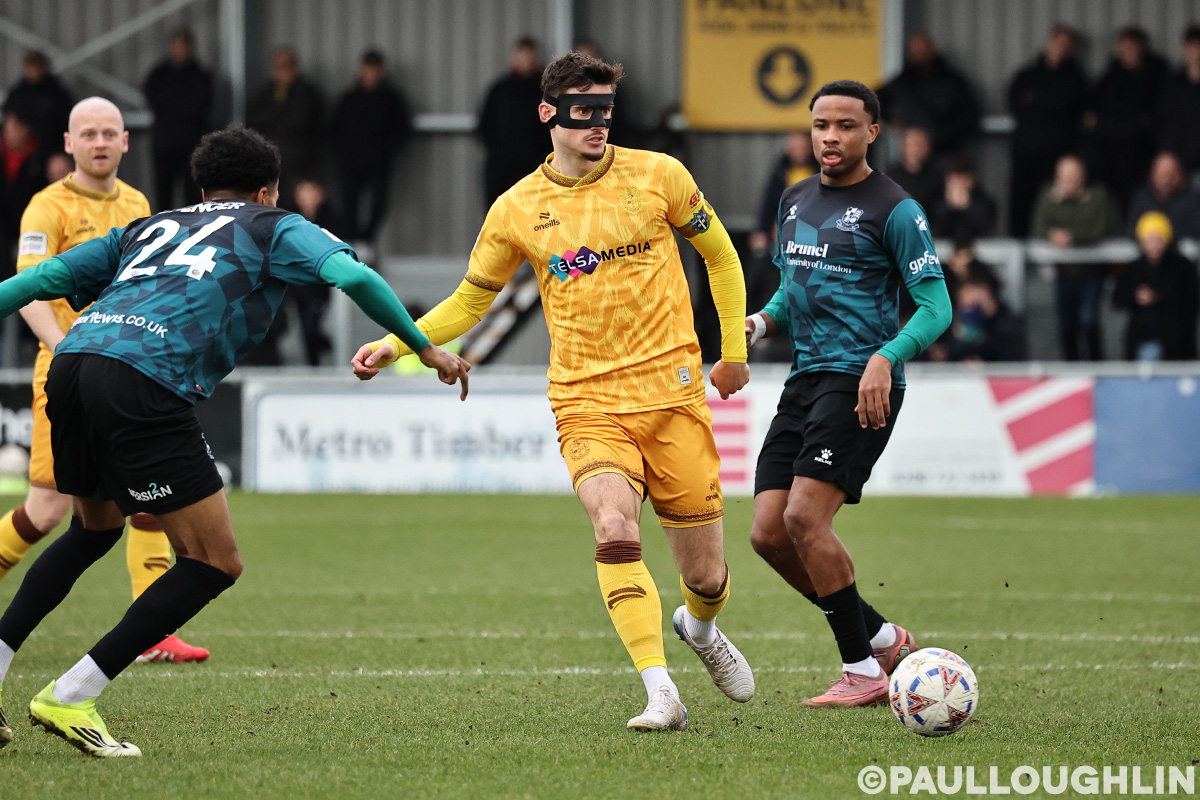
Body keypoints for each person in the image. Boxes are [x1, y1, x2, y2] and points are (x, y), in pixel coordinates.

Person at [0, 124, 469, 757]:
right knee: (213, 562)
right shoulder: (271, 225)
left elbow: (34, 282)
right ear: (269, 190)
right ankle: (72, 694)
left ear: (202, 190)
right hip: (144, 378)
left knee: (92, 530)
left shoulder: (150, 225)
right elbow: (354, 277)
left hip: (73, 362)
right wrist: (425, 347)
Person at [352, 51, 754, 732]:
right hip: (585, 401)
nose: (598, 123)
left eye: (606, 111)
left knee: (707, 577)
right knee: (613, 525)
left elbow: (721, 255)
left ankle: (700, 626)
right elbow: (469, 300)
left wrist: (733, 353)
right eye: (583, 111)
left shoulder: (661, 175)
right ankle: (660, 690)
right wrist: (399, 343)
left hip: (674, 396)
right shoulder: (516, 209)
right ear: (548, 114)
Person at [744, 80, 951, 707]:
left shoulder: (897, 209)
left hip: (861, 382)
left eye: (845, 125)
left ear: (872, 132)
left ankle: (862, 670)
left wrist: (887, 357)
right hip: (805, 379)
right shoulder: (794, 200)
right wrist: (760, 323)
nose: (830, 137)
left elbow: (936, 306)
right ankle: (883, 637)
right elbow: (792, 291)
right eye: (821, 125)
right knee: (768, 534)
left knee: (804, 518)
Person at [0, 97, 208, 665]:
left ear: (125, 142)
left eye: (109, 133)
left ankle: (153, 633)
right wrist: (63, 347)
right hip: (67, 373)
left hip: (125, 374)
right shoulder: (46, 207)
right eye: (88, 133)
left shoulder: (138, 204)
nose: (99, 142)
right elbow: (28, 290)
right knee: (46, 512)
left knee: (149, 497)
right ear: (68, 143)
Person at [1031, 154, 1119, 361]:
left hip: (1091, 271)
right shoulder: (1049, 196)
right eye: (1064, 177)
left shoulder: (1097, 196)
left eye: (1073, 177)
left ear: (1083, 177)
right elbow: (1039, 226)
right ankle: (1072, 366)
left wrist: (1071, 238)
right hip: (1064, 272)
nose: (1068, 182)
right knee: (1066, 325)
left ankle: (1097, 364)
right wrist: (1052, 234)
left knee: (1088, 320)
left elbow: (1101, 228)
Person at [1007, 24, 1088, 237]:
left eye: (1066, 45)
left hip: (1057, 156)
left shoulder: (1077, 80)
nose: (1060, 48)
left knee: (1054, 206)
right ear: (1049, 42)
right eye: (1057, 42)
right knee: (1021, 205)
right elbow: (1015, 106)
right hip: (1026, 153)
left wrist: (1039, 105)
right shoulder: (1027, 75)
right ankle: (1018, 246)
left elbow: (1079, 115)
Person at [332, 50, 413, 243]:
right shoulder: (350, 99)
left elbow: (402, 129)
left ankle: (367, 239)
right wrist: (343, 153)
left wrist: (385, 151)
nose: (371, 74)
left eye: (375, 70)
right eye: (368, 69)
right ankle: (353, 241)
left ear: (381, 72)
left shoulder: (391, 99)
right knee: (349, 204)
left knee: (378, 205)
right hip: (351, 163)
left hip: (378, 163)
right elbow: (336, 129)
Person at [1085, 27, 1168, 212]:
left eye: (1130, 47)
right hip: (1109, 151)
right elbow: (1094, 108)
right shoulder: (1112, 72)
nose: (1125, 52)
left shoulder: (1155, 74)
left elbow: (1158, 114)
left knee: (1136, 198)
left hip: (1140, 152)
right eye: (1122, 48)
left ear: (1141, 48)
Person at [1113, 211, 1199, 361]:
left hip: (1176, 341)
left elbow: (1191, 298)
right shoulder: (1134, 267)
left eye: (1157, 239)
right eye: (1148, 240)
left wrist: (1158, 296)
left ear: (1167, 239)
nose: (1153, 245)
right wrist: (1135, 296)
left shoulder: (1182, 266)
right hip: (1143, 338)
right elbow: (1118, 298)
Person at [143, 27, 213, 210]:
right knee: (163, 194)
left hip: (192, 145)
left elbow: (200, 105)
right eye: (175, 46)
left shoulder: (201, 76)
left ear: (190, 48)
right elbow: (151, 98)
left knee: (192, 195)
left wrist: (172, 105)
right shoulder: (159, 74)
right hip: (164, 145)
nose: (179, 50)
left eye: (183, 46)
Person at [876, 33, 980, 156]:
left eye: (923, 51)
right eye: (915, 52)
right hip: (913, 153)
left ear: (933, 50)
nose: (919, 56)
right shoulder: (904, 81)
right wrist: (893, 121)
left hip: (946, 151)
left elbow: (969, 114)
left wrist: (945, 136)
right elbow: (875, 99)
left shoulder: (952, 81)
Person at [477, 37, 552, 207]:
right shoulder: (500, 89)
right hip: (502, 168)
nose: (526, 60)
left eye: (529, 56)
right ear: (514, 57)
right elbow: (485, 125)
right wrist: (500, 152)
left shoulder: (546, 92)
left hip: (535, 167)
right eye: (522, 55)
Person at [246, 47, 324, 208]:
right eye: (278, 67)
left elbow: (301, 123)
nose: (282, 72)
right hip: (271, 166)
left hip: (300, 166)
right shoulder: (264, 93)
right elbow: (253, 122)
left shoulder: (307, 94)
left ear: (296, 68)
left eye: (287, 66)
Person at [0, 107, 47, 280]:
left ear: (27, 128)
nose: (10, 131)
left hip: (32, 226)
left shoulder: (40, 158)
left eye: (16, 126)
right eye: (8, 125)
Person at [3, 52, 72, 158]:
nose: (33, 70)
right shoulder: (17, 92)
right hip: (23, 148)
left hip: (50, 149)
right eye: (30, 65)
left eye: (36, 65)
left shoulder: (56, 93)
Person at [1125, 151, 1200, 239]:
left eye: (1170, 175)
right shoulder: (1142, 198)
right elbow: (1129, 228)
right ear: (1152, 174)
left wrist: (1165, 235)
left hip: (1178, 244)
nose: (1166, 181)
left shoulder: (1190, 199)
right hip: (1144, 243)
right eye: (1162, 175)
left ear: (1179, 175)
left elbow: (1195, 231)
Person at [1159, 26, 1200, 176]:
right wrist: (1168, 154)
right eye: (1191, 48)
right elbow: (1165, 121)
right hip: (1177, 161)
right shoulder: (1174, 84)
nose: (1195, 53)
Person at [928, 155, 996, 241]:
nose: (958, 185)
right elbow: (935, 232)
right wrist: (948, 207)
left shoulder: (984, 203)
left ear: (971, 180)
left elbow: (985, 231)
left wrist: (968, 207)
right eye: (954, 180)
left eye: (962, 180)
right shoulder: (935, 201)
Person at [885, 127, 940, 213]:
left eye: (921, 145)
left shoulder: (937, 177)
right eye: (913, 144)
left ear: (928, 148)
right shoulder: (889, 177)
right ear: (904, 147)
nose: (916, 149)